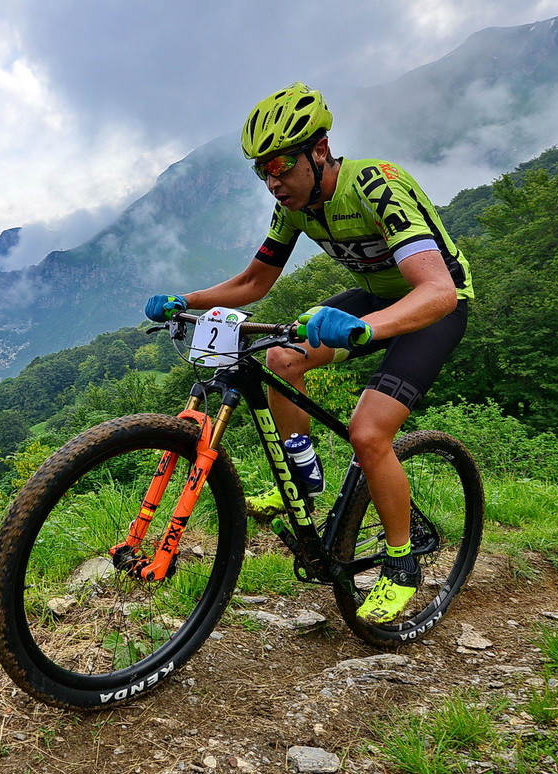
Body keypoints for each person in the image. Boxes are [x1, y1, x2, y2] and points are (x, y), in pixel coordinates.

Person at [144, 83, 472, 624]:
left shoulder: (376, 186)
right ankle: (304, 476)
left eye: (280, 165)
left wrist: (364, 328)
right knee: (282, 358)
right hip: (376, 299)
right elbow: (253, 282)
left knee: (368, 433)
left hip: (435, 307)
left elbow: (437, 291)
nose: (272, 182)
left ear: (320, 151)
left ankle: (401, 562)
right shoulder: (294, 207)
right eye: (262, 172)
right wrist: (188, 300)